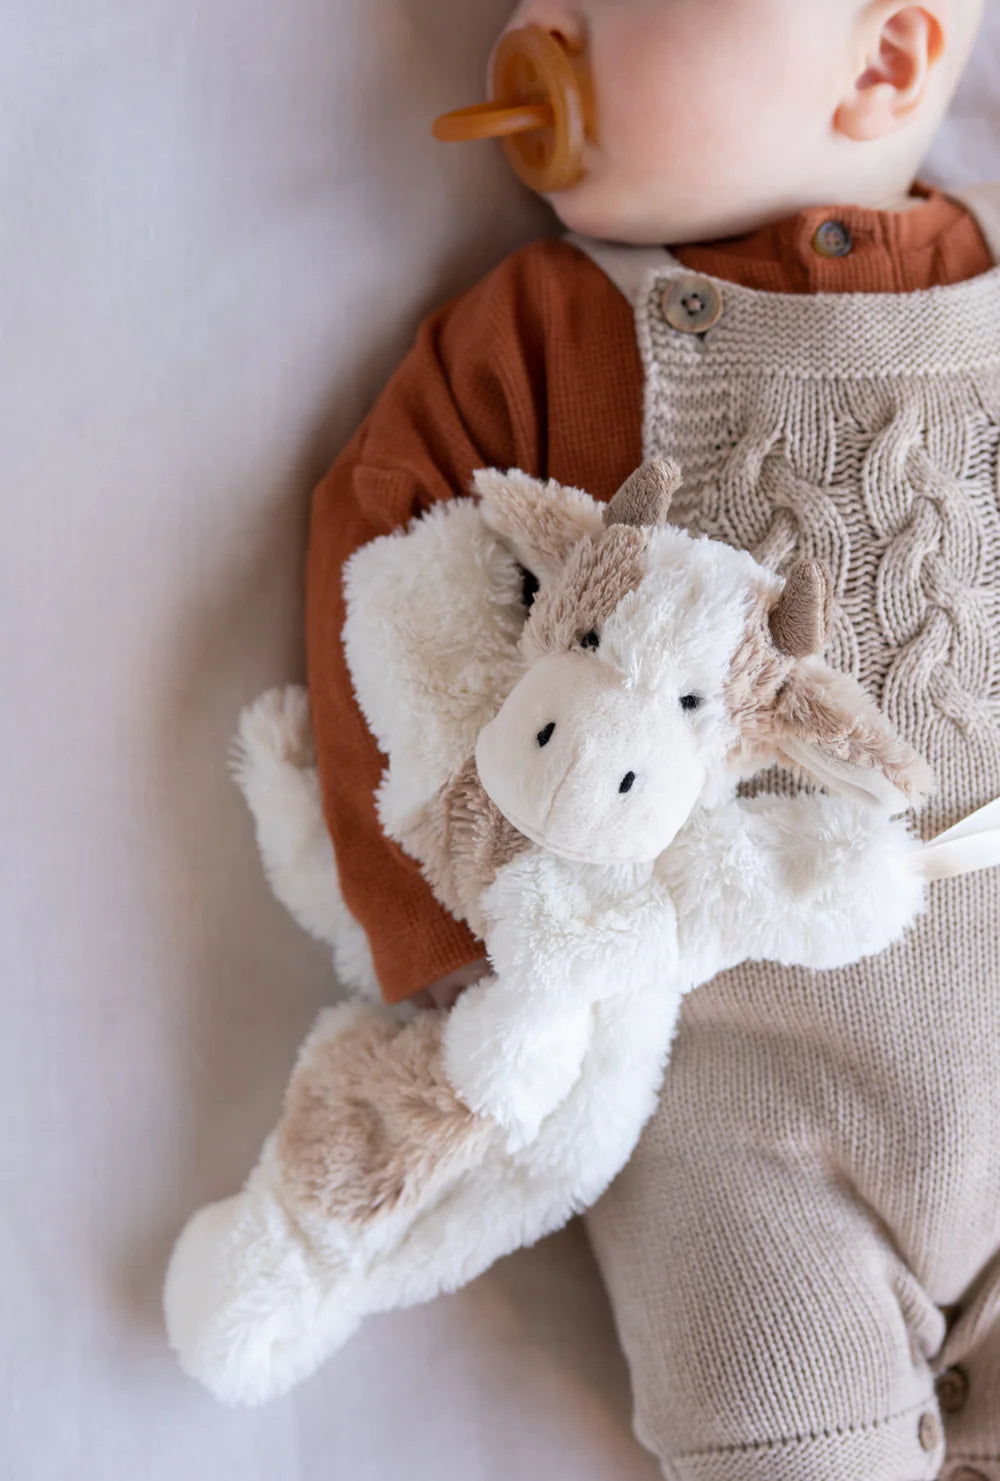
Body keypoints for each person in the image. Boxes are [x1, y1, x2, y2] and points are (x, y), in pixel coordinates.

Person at [305, 1, 1000, 1476]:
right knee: (775, 1425)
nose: (538, 26)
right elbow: (391, 593)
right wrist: (463, 932)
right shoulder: (545, 333)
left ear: (884, 61)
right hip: (733, 1114)